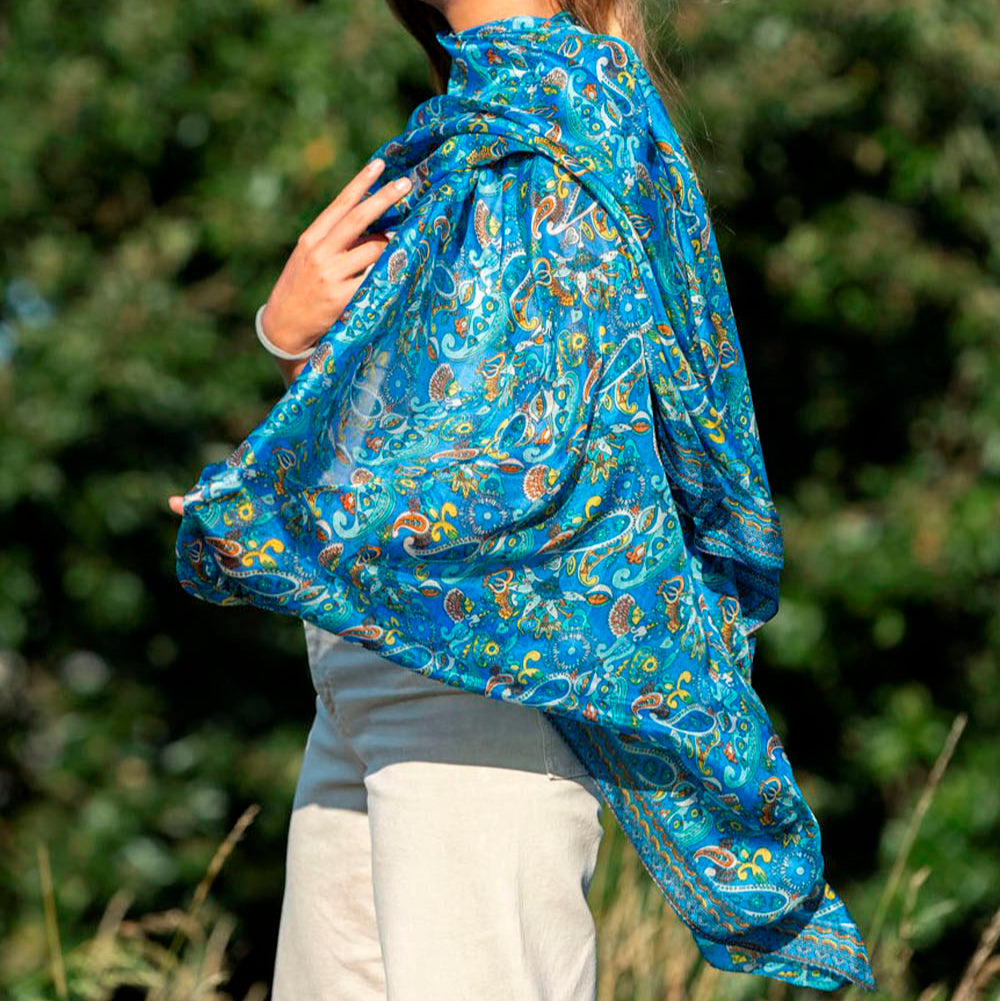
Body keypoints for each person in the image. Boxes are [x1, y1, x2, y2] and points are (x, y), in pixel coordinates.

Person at [170, 2, 878, 998]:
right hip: (368, 663)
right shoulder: (463, 129)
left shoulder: (567, 110)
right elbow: (417, 420)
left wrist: (260, 503)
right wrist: (287, 338)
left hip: (487, 682)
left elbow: (532, 444)